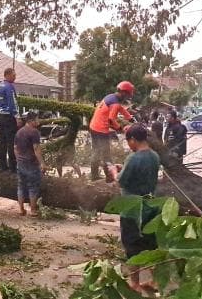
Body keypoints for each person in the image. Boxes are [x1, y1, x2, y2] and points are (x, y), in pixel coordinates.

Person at [107, 124, 161, 294]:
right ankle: (155, 281)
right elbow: (142, 176)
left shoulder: (133, 158)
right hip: (150, 207)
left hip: (132, 210)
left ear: (133, 140)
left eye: (128, 141)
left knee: (132, 246)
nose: (128, 144)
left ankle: (135, 283)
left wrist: (114, 171)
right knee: (151, 245)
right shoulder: (154, 156)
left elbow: (120, 182)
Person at [88, 81, 135, 180]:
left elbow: (120, 108)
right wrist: (120, 129)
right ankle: (109, 177)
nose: (127, 98)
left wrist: (129, 117)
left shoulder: (110, 97)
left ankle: (94, 175)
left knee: (96, 151)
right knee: (106, 155)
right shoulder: (115, 103)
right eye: (127, 96)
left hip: (93, 127)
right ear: (124, 93)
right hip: (101, 130)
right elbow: (111, 119)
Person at [14, 111, 47, 216]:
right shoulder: (34, 132)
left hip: (20, 162)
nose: (38, 121)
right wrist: (42, 163)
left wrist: (18, 159)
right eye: (37, 119)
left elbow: (15, 148)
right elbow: (36, 148)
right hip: (31, 163)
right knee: (33, 187)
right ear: (31, 120)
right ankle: (33, 210)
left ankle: (20, 209)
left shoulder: (19, 132)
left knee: (21, 186)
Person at [0, 68, 19, 172]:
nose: (15, 77)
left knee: (2, 141)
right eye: (13, 75)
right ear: (7, 75)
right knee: (11, 142)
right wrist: (17, 116)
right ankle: (13, 167)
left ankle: (2, 166)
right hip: (8, 116)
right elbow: (12, 102)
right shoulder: (9, 87)